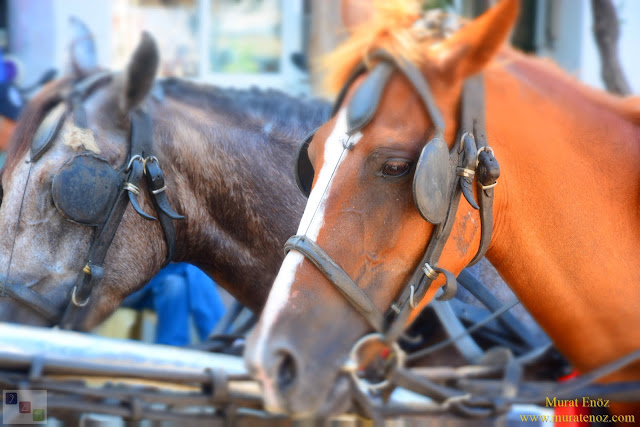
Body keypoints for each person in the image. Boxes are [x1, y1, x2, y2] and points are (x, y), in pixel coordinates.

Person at [122, 263, 226, 346]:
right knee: (194, 264)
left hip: (151, 287)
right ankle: (221, 339)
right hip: (121, 288)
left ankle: (171, 350)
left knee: (176, 284)